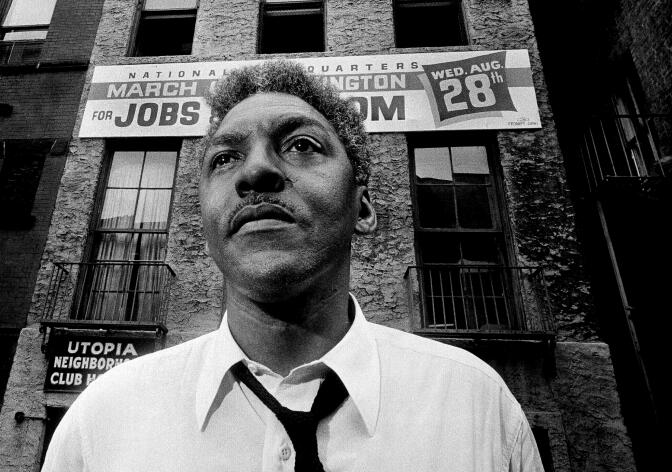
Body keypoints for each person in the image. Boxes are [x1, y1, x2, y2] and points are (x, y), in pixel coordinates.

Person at [42, 60, 544, 472]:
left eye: (301, 145)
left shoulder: (479, 409)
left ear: (363, 208)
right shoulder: (101, 423)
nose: (256, 171)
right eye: (224, 159)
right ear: (204, 220)